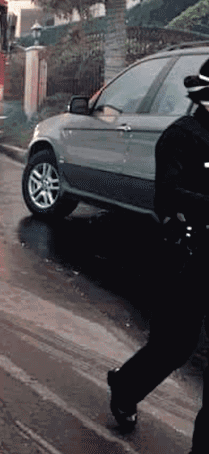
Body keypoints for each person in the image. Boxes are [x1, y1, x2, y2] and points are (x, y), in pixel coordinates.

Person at [107, 59, 209, 453]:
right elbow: (167, 197)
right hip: (189, 255)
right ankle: (126, 386)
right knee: (175, 345)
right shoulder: (182, 136)